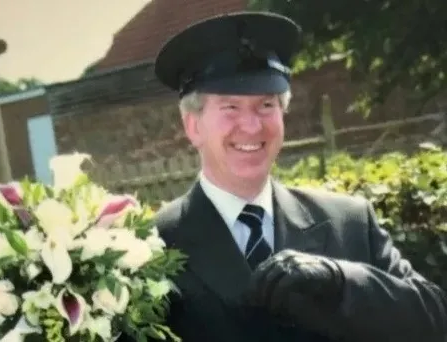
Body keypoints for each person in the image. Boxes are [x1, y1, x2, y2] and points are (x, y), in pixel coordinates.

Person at [123, 11, 447, 342]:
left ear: (283, 115)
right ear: (194, 126)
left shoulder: (348, 222)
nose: (251, 126)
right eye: (230, 108)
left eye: (266, 105)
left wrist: (340, 280)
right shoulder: (151, 247)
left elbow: (434, 322)